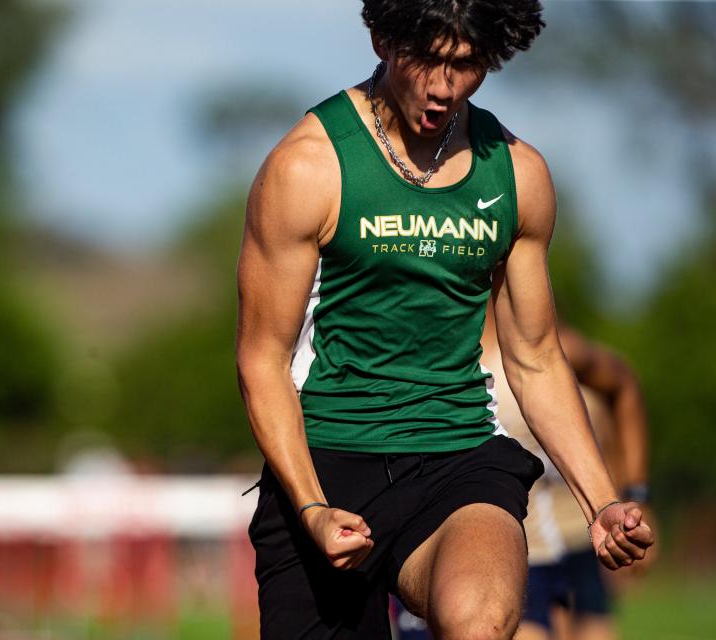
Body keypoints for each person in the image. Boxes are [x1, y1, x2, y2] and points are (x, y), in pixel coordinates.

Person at [234, 1, 655, 638]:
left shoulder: (517, 174)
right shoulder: (307, 166)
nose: (442, 85)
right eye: (425, 57)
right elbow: (261, 360)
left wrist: (602, 501)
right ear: (381, 37)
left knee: (478, 620)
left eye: (465, 64)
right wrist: (313, 506)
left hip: (456, 455)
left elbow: (536, 356)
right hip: (325, 464)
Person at [390, 312, 654, 640]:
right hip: (428, 549)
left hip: (535, 554)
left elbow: (623, 384)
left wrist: (632, 494)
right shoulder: (411, 347)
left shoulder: (544, 352)